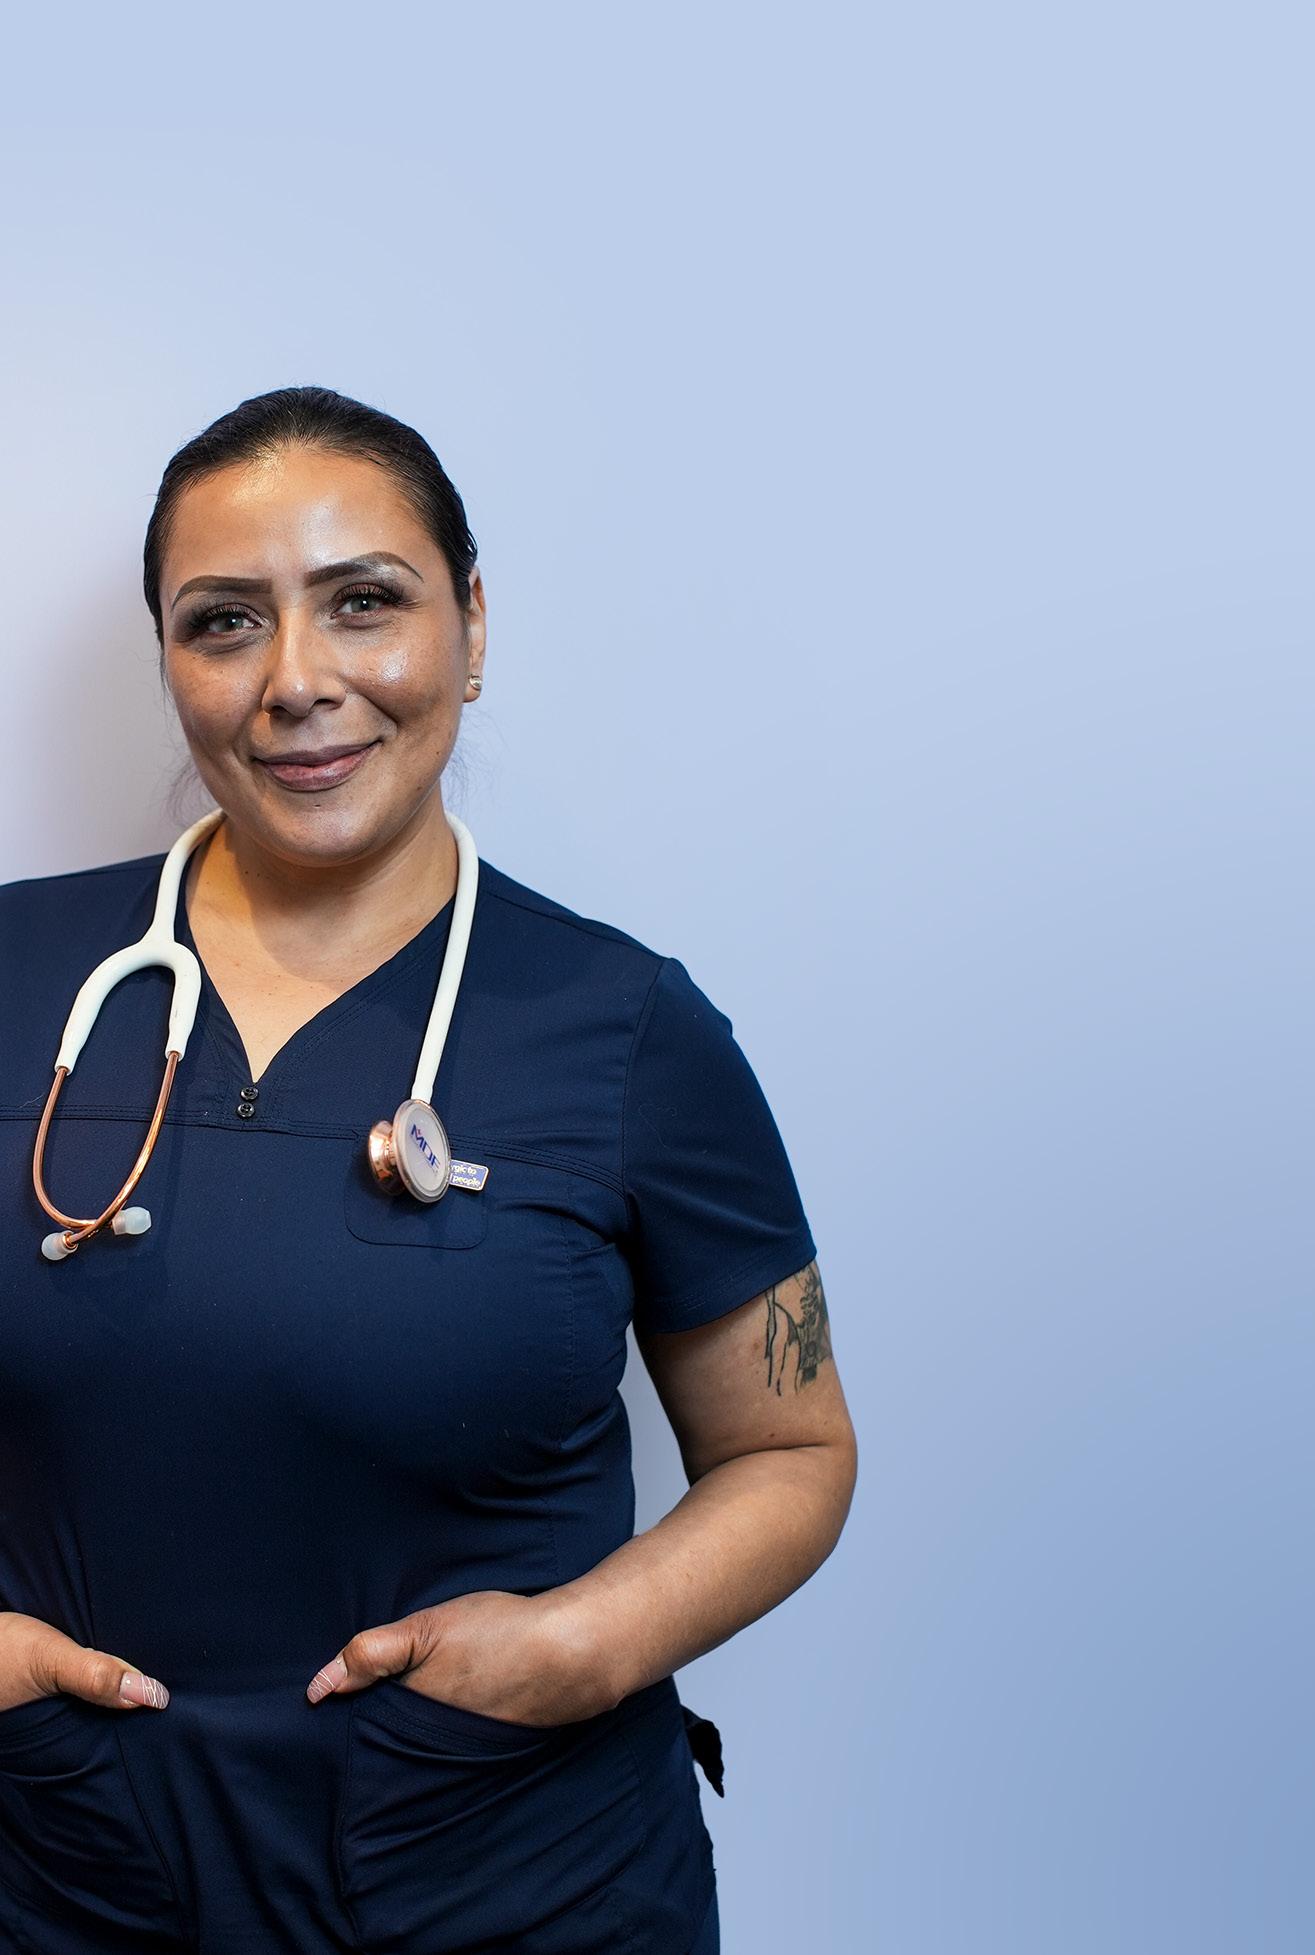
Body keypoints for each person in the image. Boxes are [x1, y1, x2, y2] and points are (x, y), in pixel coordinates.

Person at [0, 385, 856, 1953]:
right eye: (223, 622)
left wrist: (591, 1647)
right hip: (61, 1879)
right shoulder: (13, 975)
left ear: (471, 626)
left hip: (515, 1880)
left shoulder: (624, 1029)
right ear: (169, 661)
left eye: (365, 603)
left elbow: (790, 1451)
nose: (296, 681)